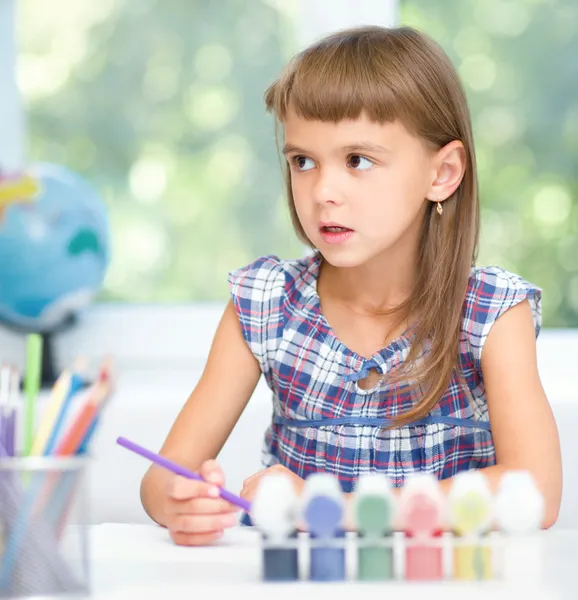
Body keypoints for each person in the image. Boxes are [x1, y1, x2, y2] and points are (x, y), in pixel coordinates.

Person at [140, 25, 562, 546]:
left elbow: (535, 493)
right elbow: (161, 479)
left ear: (443, 173)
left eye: (357, 160)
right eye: (303, 161)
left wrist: (332, 510)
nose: (324, 191)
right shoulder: (265, 303)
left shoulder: (492, 313)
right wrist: (181, 504)